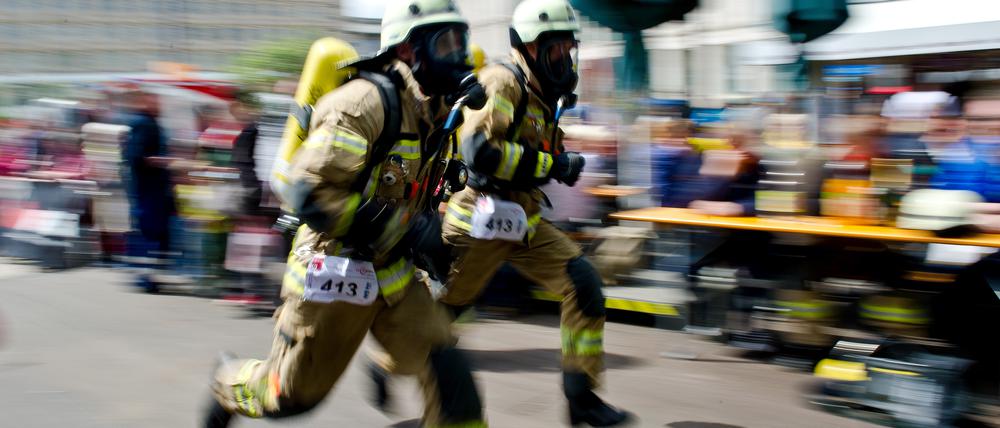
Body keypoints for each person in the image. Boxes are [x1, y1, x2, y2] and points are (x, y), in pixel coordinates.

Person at [202, 1, 487, 427]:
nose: (459, 54)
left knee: (453, 383)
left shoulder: (438, 114)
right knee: (289, 398)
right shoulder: (361, 104)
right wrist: (408, 230)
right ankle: (228, 382)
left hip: (394, 276)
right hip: (334, 270)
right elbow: (309, 191)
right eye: (446, 43)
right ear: (409, 49)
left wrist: (434, 247)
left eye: (461, 41)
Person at [374, 0, 632, 425]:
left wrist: (560, 160)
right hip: (478, 221)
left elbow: (532, 151)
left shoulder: (544, 95)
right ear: (530, 48)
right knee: (439, 319)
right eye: (556, 50)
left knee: (583, 284)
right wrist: (553, 166)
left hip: (523, 218)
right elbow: (481, 152)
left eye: (569, 50)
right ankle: (386, 363)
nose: (564, 60)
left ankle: (581, 396)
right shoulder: (502, 82)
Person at [121, 90, 176, 292]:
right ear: (142, 102)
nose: (158, 104)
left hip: (148, 189)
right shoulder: (143, 123)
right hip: (148, 189)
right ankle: (144, 278)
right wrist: (166, 161)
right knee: (148, 233)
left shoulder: (145, 122)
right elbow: (139, 157)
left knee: (150, 232)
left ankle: (145, 276)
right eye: (153, 100)